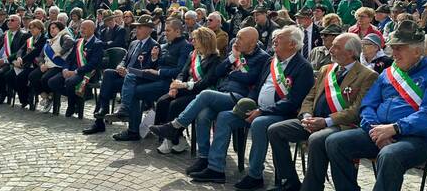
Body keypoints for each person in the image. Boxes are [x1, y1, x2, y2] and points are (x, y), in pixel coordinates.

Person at [325, 20, 427, 191]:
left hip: (417, 138)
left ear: (417, 51)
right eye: (392, 47)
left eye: (399, 48)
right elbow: (368, 105)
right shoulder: (388, 73)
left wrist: (394, 128)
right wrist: (375, 130)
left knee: (390, 155)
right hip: (379, 131)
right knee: (335, 142)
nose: (393, 53)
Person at [188, 25, 314, 187]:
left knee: (259, 123)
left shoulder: (303, 67)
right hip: (257, 108)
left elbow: (293, 101)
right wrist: (250, 104)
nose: (274, 40)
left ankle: (255, 175)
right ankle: (215, 168)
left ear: (292, 44)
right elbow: (257, 87)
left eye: (280, 38)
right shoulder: (271, 61)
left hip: (281, 114)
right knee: (224, 116)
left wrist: (262, 111)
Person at [267, 33, 378, 191]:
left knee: (317, 139)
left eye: (336, 47)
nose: (330, 49)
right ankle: (289, 181)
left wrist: (325, 121)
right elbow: (310, 97)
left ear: (351, 53)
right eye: (331, 45)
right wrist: (306, 116)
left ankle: (312, 187)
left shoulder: (368, 75)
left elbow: (356, 110)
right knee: (275, 130)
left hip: (341, 125)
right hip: (313, 121)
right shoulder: (326, 69)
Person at [149, 27, 269, 160]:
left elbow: (250, 78)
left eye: (240, 38)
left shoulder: (262, 58)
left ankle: (174, 126)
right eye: (237, 36)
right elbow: (219, 72)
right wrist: (232, 59)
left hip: (240, 97)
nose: (236, 40)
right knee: (202, 114)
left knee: (204, 95)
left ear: (252, 43)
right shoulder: (237, 51)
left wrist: (232, 73)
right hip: (222, 92)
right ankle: (203, 157)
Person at [90, 19, 191, 144]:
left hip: (168, 82)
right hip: (152, 77)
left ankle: (129, 123)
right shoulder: (164, 44)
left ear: (178, 31)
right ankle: (107, 112)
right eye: (165, 30)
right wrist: (154, 59)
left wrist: (158, 71)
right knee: (109, 74)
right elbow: (156, 64)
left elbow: (180, 70)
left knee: (133, 87)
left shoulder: (184, 46)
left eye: (168, 31)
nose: (165, 33)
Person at [93, 15, 159, 138]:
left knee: (113, 85)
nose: (136, 30)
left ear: (149, 30)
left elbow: (149, 67)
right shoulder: (134, 43)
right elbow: (125, 59)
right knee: (108, 73)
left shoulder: (153, 45)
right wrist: (120, 67)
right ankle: (103, 110)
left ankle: (120, 112)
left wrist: (129, 72)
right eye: (136, 28)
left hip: (138, 79)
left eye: (140, 28)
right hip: (125, 77)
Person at [49, 20, 104, 117]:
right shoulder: (78, 41)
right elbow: (69, 58)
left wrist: (75, 71)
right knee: (52, 81)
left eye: (84, 28)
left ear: (92, 30)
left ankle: (71, 105)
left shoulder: (97, 44)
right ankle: (76, 101)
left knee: (69, 82)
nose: (81, 30)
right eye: (80, 28)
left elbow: (93, 64)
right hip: (71, 70)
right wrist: (65, 69)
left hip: (87, 72)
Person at [0, 14, 30, 104]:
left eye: (12, 20)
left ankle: (2, 93)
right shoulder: (4, 34)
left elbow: (20, 52)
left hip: (10, 62)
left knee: (0, 74)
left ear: (19, 23)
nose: (9, 22)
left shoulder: (24, 35)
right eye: (8, 20)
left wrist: (4, 61)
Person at [29, 21, 74, 113]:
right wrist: (41, 64)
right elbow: (40, 57)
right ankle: (46, 97)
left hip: (58, 66)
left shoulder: (63, 36)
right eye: (50, 29)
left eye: (54, 28)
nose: (51, 30)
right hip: (47, 65)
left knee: (45, 78)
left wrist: (60, 52)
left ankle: (50, 97)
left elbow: (70, 42)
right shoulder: (48, 42)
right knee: (32, 76)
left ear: (60, 28)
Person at [1, 19, 44, 108]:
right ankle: (25, 95)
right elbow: (21, 50)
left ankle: (24, 99)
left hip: (35, 65)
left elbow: (34, 53)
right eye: (30, 28)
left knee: (20, 78)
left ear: (40, 29)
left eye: (34, 28)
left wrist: (22, 60)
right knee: (8, 76)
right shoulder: (30, 39)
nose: (32, 30)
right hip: (24, 63)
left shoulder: (44, 39)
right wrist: (19, 58)